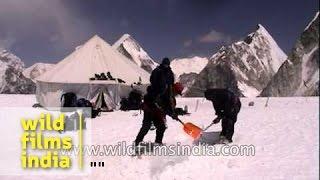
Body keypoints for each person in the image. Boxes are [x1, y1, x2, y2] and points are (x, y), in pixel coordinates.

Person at [134, 57, 182, 146]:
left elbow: (166, 106)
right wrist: (170, 112)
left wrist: (172, 113)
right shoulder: (157, 75)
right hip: (149, 107)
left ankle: (158, 143)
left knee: (161, 127)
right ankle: (137, 142)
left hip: (157, 110)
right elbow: (164, 106)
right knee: (146, 126)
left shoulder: (168, 95)